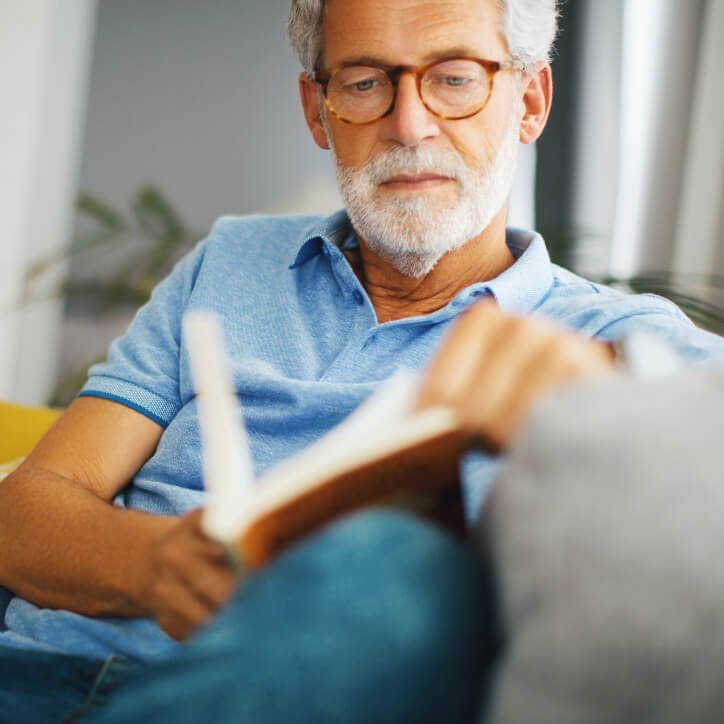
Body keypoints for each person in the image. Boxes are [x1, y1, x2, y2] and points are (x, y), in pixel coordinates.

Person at [0, 0, 723, 721]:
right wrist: (158, 567)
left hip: (291, 687)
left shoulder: (607, 331)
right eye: (365, 83)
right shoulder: (229, 260)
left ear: (529, 101)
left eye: (455, 77)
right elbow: (28, 509)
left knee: (407, 577)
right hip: (33, 670)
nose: (408, 125)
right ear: (319, 113)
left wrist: (615, 399)